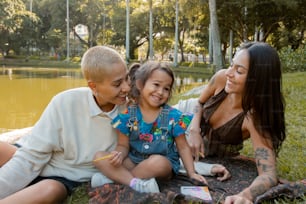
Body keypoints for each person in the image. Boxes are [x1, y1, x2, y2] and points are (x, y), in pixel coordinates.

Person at [0, 45, 130, 203]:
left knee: (50, 191)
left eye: (127, 78)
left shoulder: (130, 111)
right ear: (93, 86)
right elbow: (30, 157)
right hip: (35, 158)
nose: (126, 88)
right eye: (117, 84)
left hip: (61, 177)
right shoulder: (65, 101)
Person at [91, 61, 230, 193]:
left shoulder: (173, 116)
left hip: (162, 164)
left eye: (166, 89)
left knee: (158, 162)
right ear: (140, 84)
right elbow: (123, 145)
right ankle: (136, 184)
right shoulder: (128, 115)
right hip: (134, 160)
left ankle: (117, 180)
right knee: (99, 157)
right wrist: (118, 155)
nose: (160, 92)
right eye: (156, 85)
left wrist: (192, 172)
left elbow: (183, 147)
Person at [186, 42, 286, 203]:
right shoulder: (220, 78)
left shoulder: (253, 118)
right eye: (231, 65)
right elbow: (199, 103)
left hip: (204, 148)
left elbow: (268, 174)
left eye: (239, 71)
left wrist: (245, 195)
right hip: (186, 118)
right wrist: (194, 130)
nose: (229, 73)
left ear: (257, 79)